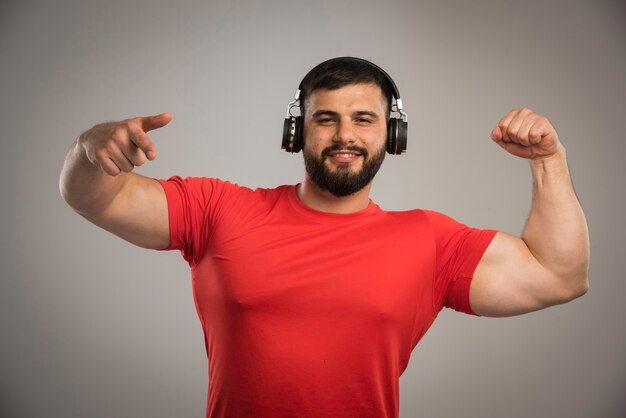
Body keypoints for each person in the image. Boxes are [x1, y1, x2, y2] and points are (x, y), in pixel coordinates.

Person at [59, 57, 589, 418]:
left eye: (364, 119)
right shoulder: (219, 209)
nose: (345, 136)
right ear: (298, 132)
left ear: (391, 134)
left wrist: (549, 161)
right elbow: (95, 197)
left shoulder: (429, 240)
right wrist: (90, 147)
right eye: (326, 119)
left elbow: (559, 275)